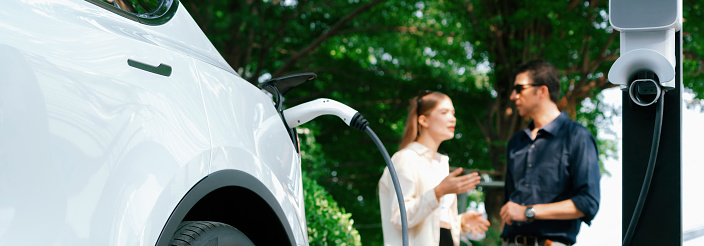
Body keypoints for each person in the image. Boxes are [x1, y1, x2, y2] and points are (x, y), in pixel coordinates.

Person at [499, 60, 601, 246]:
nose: (513, 96)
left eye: (519, 88)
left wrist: (528, 211)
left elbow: (588, 202)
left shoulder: (578, 136)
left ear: (542, 91)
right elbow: (509, 205)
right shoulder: (516, 143)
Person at [379, 90, 490, 246]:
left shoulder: (440, 163)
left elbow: (433, 225)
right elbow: (400, 217)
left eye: (453, 113)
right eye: (444, 112)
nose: (453, 119)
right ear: (423, 120)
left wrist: (459, 223)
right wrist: (438, 192)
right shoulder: (405, 158)